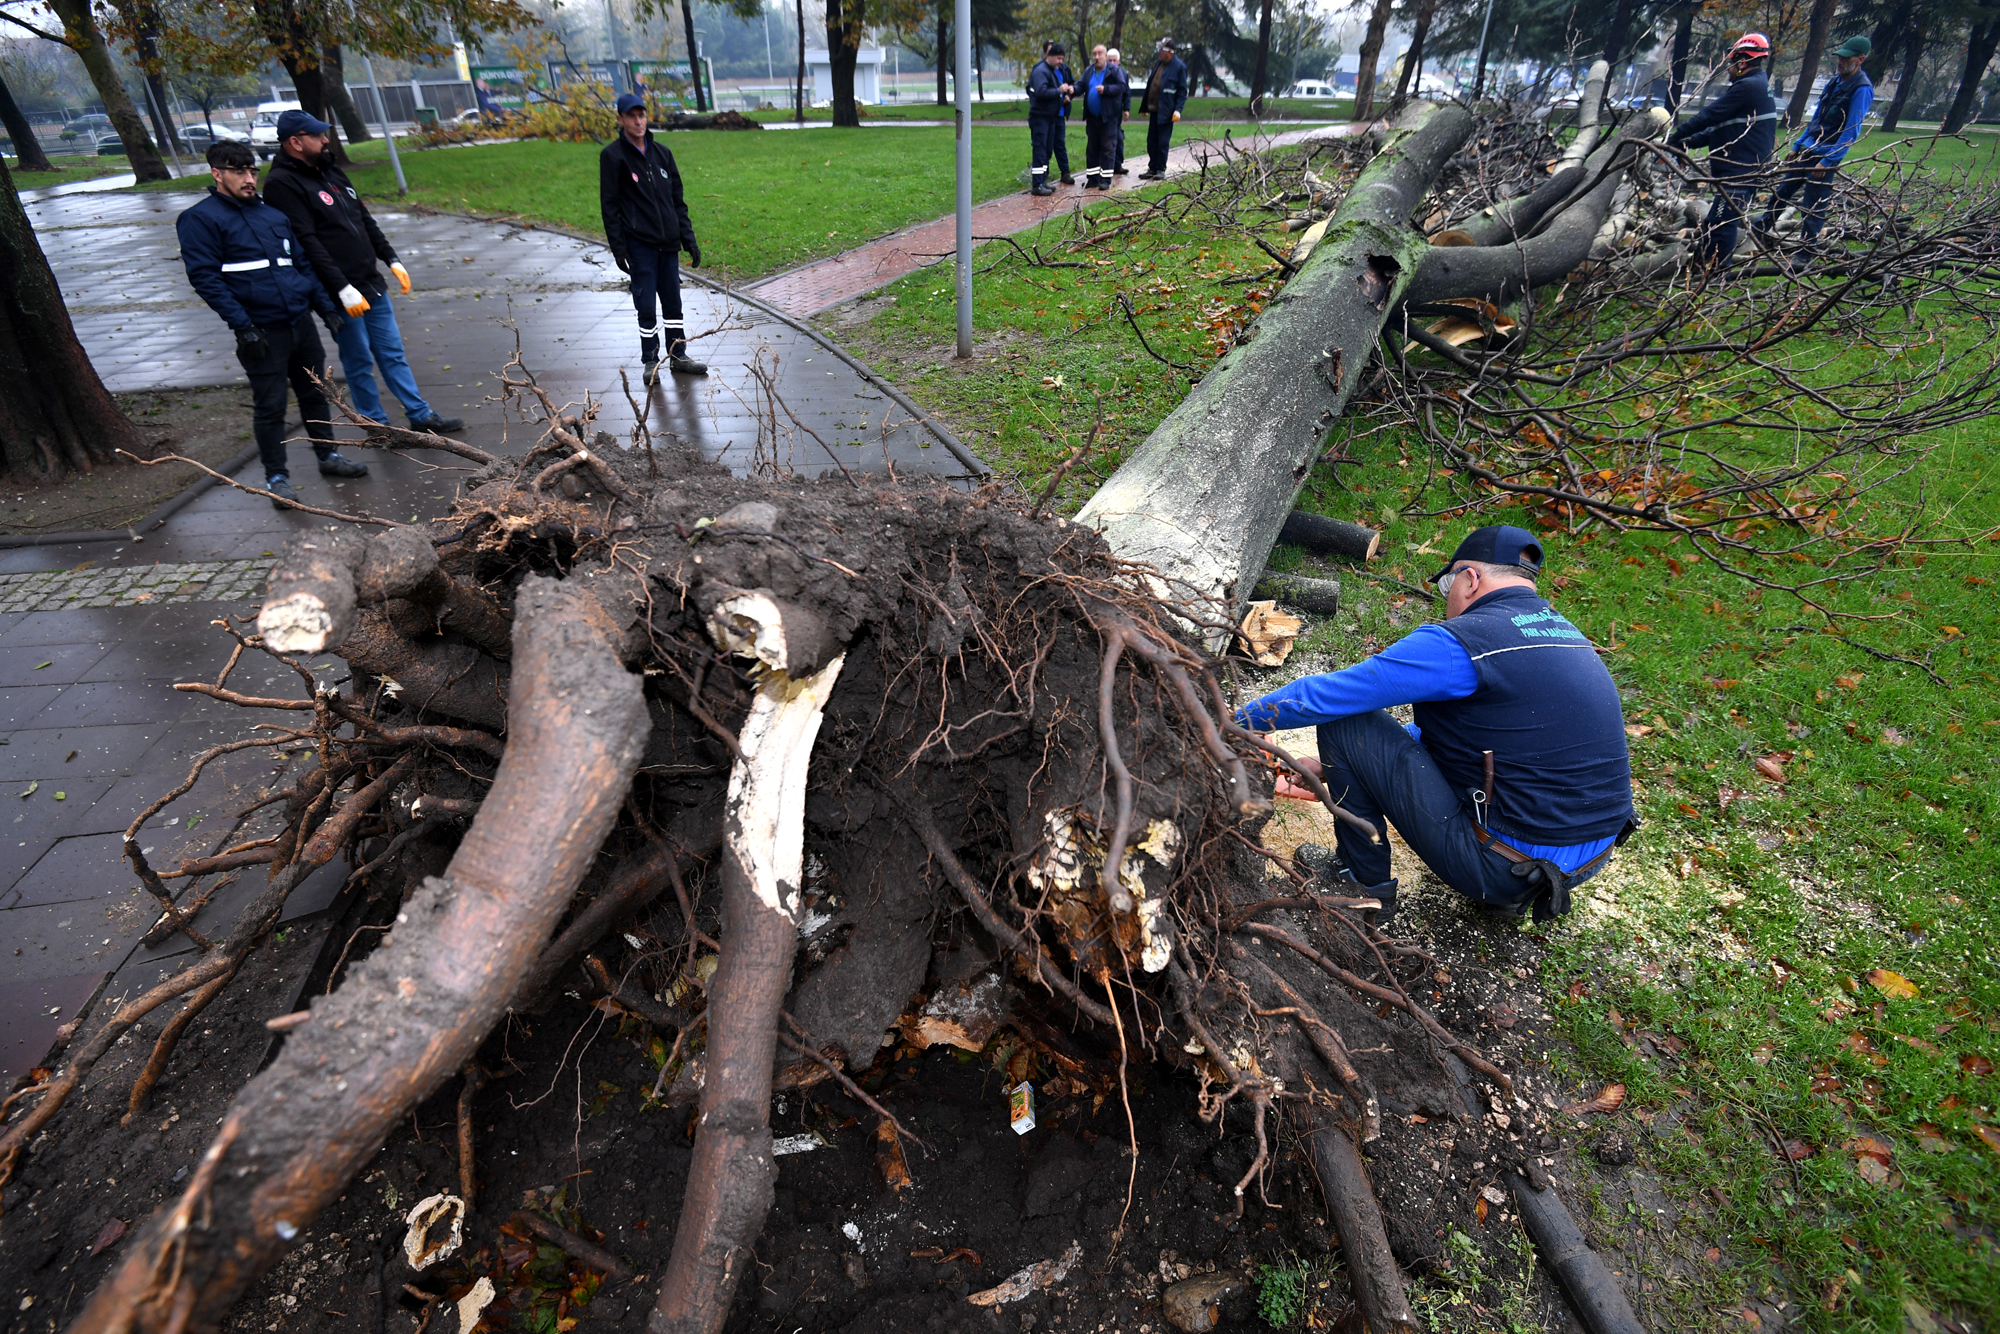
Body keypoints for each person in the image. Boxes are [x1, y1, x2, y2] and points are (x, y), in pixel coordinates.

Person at [1236, 525, 1635, 925]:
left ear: (1470, 578)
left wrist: (1231, 722)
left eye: (1448, 586)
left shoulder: (1464, 641)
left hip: (1504, 867)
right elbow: (1494, 740)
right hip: (1581, 865)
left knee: (1345, 723)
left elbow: (1324, 697)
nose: (1447, 601)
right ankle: (1504, 890)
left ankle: (1359, 888)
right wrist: (1348, 769)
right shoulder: (1569, 637)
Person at [178, 140, 365, 508]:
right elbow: (205, 279)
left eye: (252, 171)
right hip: (261, 331)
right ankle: (276, 477)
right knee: (271, 405)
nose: (250, 179)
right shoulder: (200, 219)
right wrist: (242, 326)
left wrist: (324, 308)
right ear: (217, 173)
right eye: (240, 172)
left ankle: (328, 456)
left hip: (300, 322)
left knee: (316, 393)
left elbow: (300, 266)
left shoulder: (272, 216)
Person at [262, 109, 464, 437]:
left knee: (392, 353)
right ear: (296, 142)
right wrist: (340, 288)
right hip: (340, 293)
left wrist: (391, 258)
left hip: (371, 283)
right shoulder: (282, 184)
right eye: (317, 136)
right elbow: (306, 242)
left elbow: (364, 220)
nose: (325, 140)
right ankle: (376, 426)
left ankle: (420, 415)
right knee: (358, 362)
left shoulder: (331, 171)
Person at [600, 91, 706, 383]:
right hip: (640, 245)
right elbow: (609, 206)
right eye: (632, 116)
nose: (638, 121)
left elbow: (677, 201)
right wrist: (618, 248)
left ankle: (678, 355)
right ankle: (650, 360)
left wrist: (689, 239)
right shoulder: (613, 157)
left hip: (668, 244)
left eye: (641, 115)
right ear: (621, 119)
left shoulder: (663, 154)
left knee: (673, 303)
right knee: (646, 305)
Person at [1667, 32, 1777, 271]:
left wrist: (1677, 133)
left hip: (1741, 170)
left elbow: (1710, 115)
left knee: (1722, 221)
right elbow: (1722, 128)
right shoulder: (1756, 85)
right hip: (1739, 168)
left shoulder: (1748, 86)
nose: (1730, 68)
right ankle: (1702, 266)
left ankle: (1718, 271)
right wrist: (1688, 143)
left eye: (1732, 62)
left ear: (1743, 62)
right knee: (1715, 220)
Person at [1757, 36, 1873, 251]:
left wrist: (1828, 161)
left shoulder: (1861, 89)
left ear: (1860, 59)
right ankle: (1761, 230)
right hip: (1807, 150)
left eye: (1846, 58)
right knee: (1781, 192)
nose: (1840, 61)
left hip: (1825, 157)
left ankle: (1806, 251)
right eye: (1839, 57)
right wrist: (1797, 145)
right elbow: (1817, 118)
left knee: (1813, 206)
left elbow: (1851, 131)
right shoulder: (1834, 82)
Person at [1026, 43, 1075, 196]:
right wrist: (1058, 90)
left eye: (1062, 58)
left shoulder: (1051, 70)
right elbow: (1040, 92)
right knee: (1040, 151)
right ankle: (1037, 184)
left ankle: (1042, 180)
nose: (1061, 62)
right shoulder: (1041, 71)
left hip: (1050, 118)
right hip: (1040, 118)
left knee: (1047, 151)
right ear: (1050, 56)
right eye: (1059, 58)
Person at [1137, 37, 1188, 180]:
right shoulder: (1158, 64)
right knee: (1151, 141)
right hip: (1154, 110)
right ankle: (1152, 167)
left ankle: (1160, 169)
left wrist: (1178, 110)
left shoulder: (1179, 67)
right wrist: (1145, 106)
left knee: (1162, 142)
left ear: (1170, 52)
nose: (1159, 52)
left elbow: (1182, 92)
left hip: (1167, 112)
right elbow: (1152, 85)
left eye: (1162, 49)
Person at [1081, 45, 1129, 189]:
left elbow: (1122, 87)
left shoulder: (1114, 71)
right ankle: (1093, 178)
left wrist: (1106, 89)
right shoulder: (1089, 71)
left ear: (1105, 56)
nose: (1096, 57)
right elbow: (1081, 85)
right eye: (1094, 54)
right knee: (1092, 148)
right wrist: (1072, 90)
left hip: (1108, 117)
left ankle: (1105, 180)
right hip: (1092, 118)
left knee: (1108, 147)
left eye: (1099, 54)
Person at [1107, 48, 1132, 177]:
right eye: (1109, 60)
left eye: (1114, 60)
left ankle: (1117, 164)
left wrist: (1126, 109)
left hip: (1117, 112)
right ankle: (1107, 165)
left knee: (1118, 138)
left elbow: (1127, 93)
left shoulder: (1123, 75)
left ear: (1118, 61)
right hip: (1106, 111)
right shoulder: (1103, 73)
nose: (1111, 63)